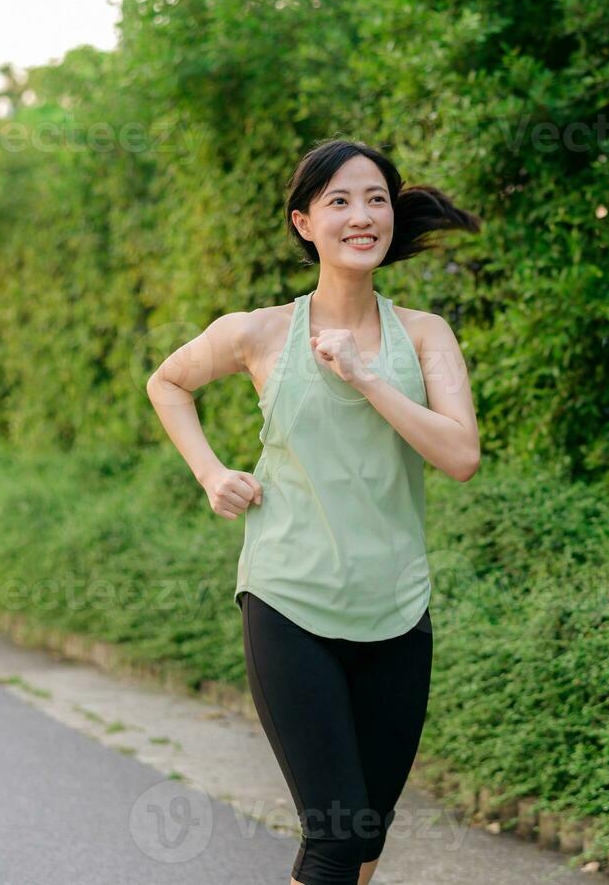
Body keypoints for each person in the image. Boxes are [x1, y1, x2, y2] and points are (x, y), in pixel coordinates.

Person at [146, 138, 482, 885]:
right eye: (339, 201)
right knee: (334, 837)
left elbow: (459, 456)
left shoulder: (424, 335)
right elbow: (167, 383)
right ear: (304, 223)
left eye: (374, 199)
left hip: (396, 606)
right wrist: (209, 472)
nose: (361, 215)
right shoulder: (257, 332)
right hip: (288, 599)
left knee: (364, 839)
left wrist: (367, 379)